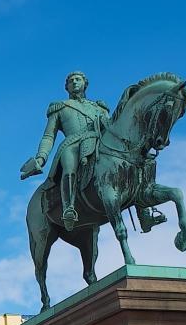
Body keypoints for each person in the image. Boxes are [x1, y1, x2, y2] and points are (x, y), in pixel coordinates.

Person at [20, 70, 164, 231]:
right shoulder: (60, 107)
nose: (74, 82)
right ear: (66, 87)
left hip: (99, 142)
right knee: (69, 167)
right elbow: (48, 136)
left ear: (84, 83)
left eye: (78, 79)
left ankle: (144, 215)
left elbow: (113, 127)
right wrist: (41, 158)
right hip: (72, 144)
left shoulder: (99, 108)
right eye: (71, 81)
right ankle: (69, 208)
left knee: (136, 164)